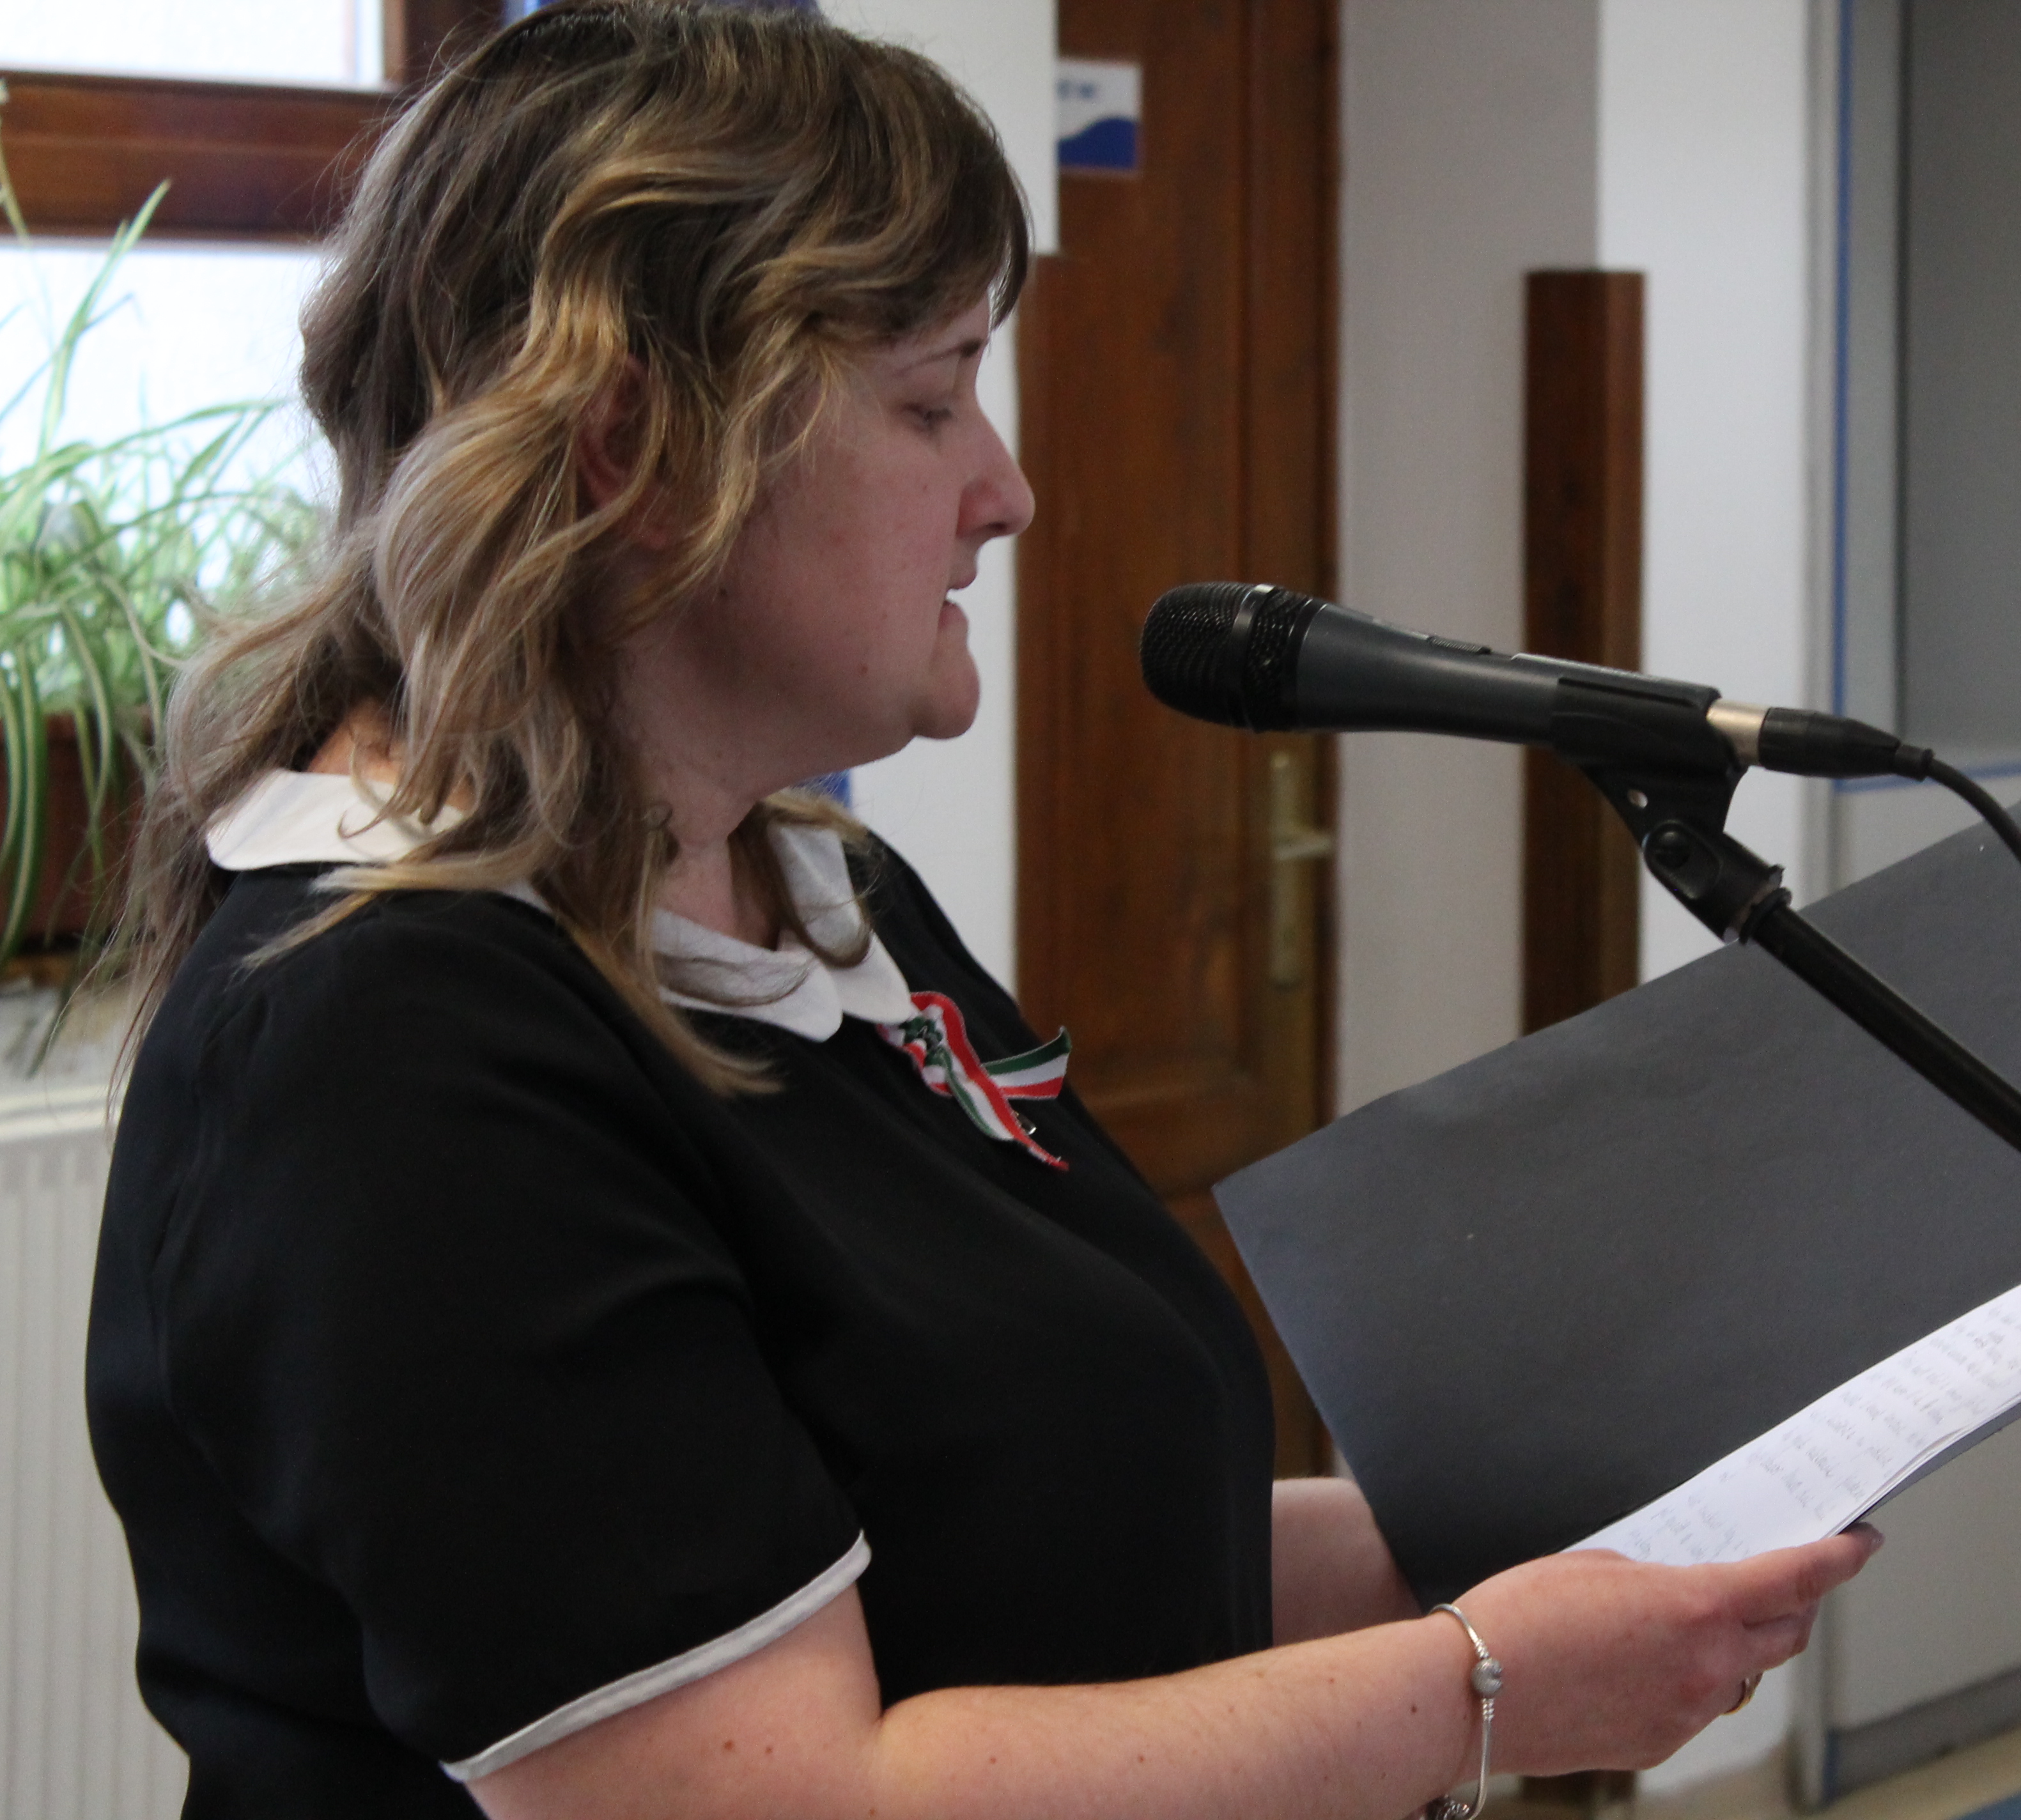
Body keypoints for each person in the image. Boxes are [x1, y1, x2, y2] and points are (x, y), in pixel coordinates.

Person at [84, 5, 1880, 1816]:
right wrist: (1479, 1687)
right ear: (636, 449)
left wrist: (1507, 1553)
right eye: (931, 401)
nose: (1005, 494)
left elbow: (1048, 1547)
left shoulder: (819, 895)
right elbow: (780, 1803)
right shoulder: (390, 1040)